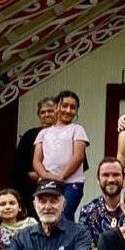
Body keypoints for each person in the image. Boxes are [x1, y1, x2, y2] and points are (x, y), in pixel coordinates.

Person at [34, 90, 89, 221]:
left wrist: (61, 177)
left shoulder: (77, 129)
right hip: (48, 183)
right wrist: (47, 177)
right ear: (56, 107)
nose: (68, 110)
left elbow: (79, 156)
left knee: (64, 218)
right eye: (64, 105)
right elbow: (36, 161)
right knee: (48, 218)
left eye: (73, 107)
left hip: (71, 184)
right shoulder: (43, 133)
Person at [12, 97, 57, 215]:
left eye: (50, 111)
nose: (46, 114)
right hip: (31, 190)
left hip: (61, 187)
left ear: (57, 111)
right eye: (43, 112)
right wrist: (37, 176)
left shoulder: (69, 134)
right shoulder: (30, 135)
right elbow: (18, 166)